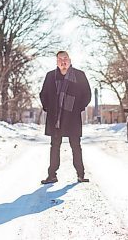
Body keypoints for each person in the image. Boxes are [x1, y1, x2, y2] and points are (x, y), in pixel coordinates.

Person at [39, 51, 92, 184]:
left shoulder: (79, 75)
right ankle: (52, 175)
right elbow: (43, 94)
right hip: (55, 118)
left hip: (73, 117)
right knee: (54, 146)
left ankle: (80, 175)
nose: (63, 61)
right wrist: (48, 108)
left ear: (70, 60)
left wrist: (79, 108)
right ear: (57, 62)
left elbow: (87, 94)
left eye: (65, 58)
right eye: (60, 59)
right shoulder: (50, 76)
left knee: (76, 146)